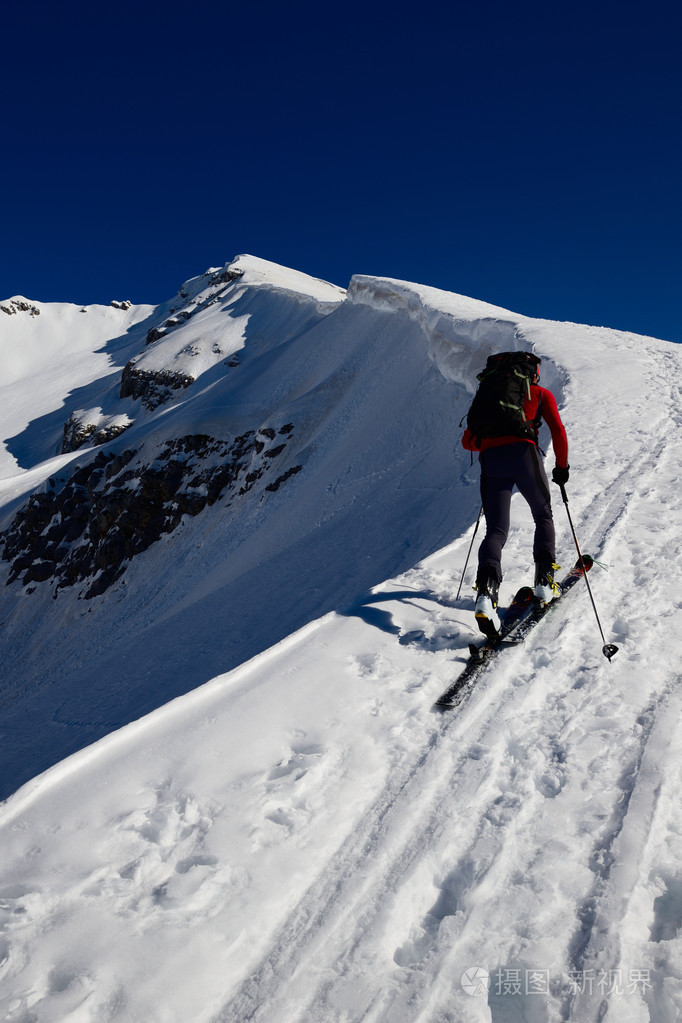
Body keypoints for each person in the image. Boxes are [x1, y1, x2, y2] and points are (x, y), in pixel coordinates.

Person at [461, 357, 570, 637]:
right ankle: (545, 582)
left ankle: (486, 593)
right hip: (524, 455)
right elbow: (557, 430)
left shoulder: (489, 396)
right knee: (543, 515)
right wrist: (561, 466)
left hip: (491, 459)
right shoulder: (540, 394)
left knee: (496, 530)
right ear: (532, 375)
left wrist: (491, 440)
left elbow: (467, 441)